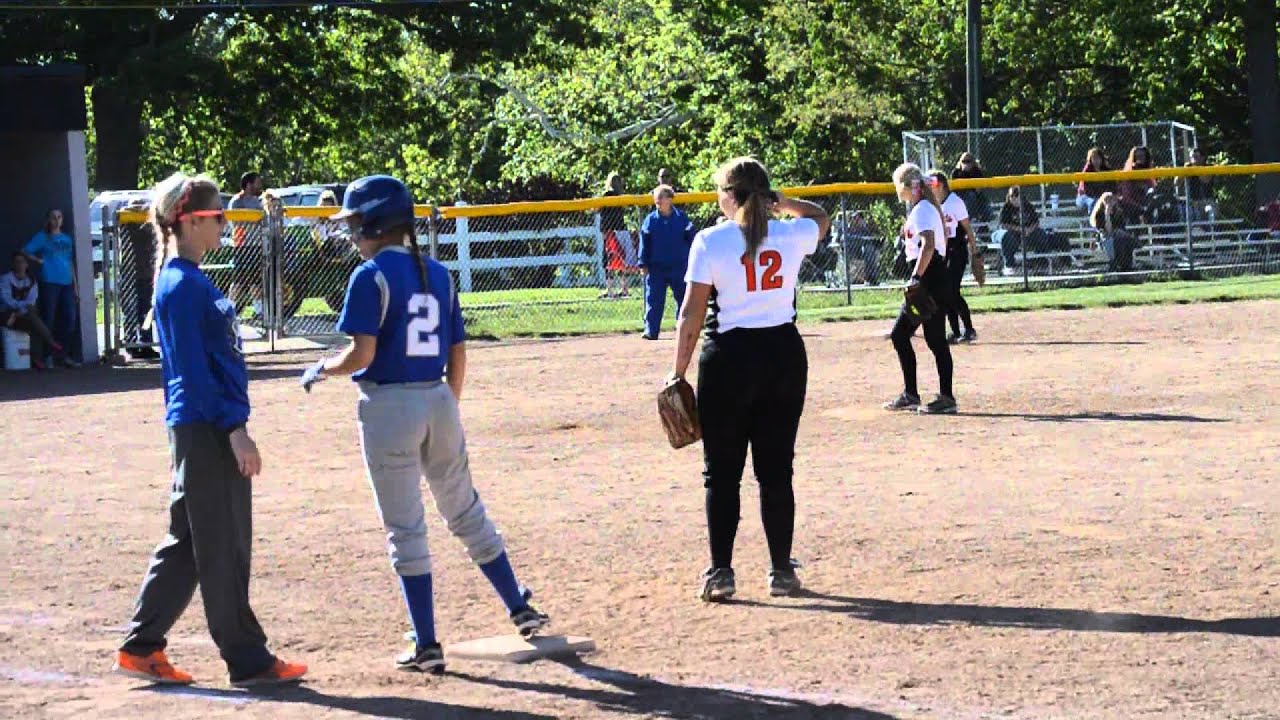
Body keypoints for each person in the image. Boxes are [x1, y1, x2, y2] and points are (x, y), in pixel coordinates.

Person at [299, 175, 549, 674]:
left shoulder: (370, 276)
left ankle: (427, 641)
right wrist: (446, 407)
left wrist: (322, 368)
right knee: (465, 510)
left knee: (406, 528)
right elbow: (458, 353)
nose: (352, 235)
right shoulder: (438, 273)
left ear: (373, 223)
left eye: (355, 225)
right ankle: (517, 605)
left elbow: (362, 353)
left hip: (389, 405)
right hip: (438, 398)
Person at [114, 173, 306, 688]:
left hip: (201, 427)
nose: (225, 221)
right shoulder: (180, 285)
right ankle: (248, 660)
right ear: (191, 221)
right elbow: (195, 375)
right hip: (205, 429)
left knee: (190, 542)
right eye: (218, 215)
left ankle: (141, 645)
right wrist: (235, 429)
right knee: (223, 545)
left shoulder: (189, 281)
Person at [669, 157, 830, 602]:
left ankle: (721, 572)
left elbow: (691, 313)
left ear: (732, 196)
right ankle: (781, 570)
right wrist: (782, 202)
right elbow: (820, 217)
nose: (717, 197)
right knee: (777, 470)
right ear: (765, 196)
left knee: (721, 473)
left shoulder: (711, 241)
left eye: (721, 190)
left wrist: (677, 372)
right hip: (782, 356)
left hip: (729, 360)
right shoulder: (790, 233)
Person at [884, 163, 956, 415]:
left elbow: (929, 245)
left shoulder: (923, 209)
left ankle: (918, 395)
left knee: (901, 335)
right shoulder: (925, 207)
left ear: (906, 187)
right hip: (934, 277)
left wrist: (916, 278)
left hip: (929, 277)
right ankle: (934, 396)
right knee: (933, 340)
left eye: (898, 185)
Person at [22, 208, 80, 365]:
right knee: (49, 318)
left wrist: (75, 286)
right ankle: (46, 355)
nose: (56, 220)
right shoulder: (43, 237)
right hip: (49, 282)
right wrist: (38, 260)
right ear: (48, 219)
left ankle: (63, 355)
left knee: (70, 318)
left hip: (67, 283)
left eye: (59, 217)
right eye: (53, 217)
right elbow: (25, 251)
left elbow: (70, 262)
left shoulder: (67, 239)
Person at [638, 184, 696, 339]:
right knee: (654, 299)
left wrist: (695, 259)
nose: (657, 199)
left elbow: (692, 239)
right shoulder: (650, 220)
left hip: (679, 265)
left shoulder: (681, 218)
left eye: (661, 196)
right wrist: (642, 263)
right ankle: (651, 330)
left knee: (683, 297)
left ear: (670, 199)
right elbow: (645, 243)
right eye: (656, 197)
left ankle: (682, 329)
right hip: (657, 267)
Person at [928, 170, 979, 344]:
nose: (929, 188)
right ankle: (956, 332)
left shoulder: (955, 202)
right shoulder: (934, 204)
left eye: (931, 185)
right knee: (945, 292)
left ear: (940, 185)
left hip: (957, 251)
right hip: (943, 253)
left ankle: (969, 329)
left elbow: (967, 228)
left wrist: (975, 251)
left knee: (952, 291)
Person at [0, 252, 75, 369]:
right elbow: (7, 300)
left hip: (23, 316)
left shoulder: (31, 281)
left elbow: (32, 300)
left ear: (27, 265)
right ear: (13, 264)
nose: (19, 265)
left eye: (22, 262)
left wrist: (22, 309)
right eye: (17, 262)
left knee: (33, 318)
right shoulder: (5, 279)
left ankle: (37, 358)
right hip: (8, 316)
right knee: (33, 317)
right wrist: (20, 308)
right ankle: (50, 343)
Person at [228, 171, 266, 317]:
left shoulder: (257, 201)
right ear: (249, 184)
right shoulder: (237, 201)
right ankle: (230, 309)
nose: (260, 185)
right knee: (238, 280)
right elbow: (236, 222)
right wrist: (255, 219)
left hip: (256, 245)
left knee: (255, 280)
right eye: (257, 182)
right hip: (242, 246)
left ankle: (258, 310)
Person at [599, 173, 635, 298]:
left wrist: (603, 230)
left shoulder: (609, 195)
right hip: (619, 230)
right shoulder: (617, 196)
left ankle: (612, 289)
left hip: (612, 231)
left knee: (610, 260)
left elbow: (603, 214)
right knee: (618, 259)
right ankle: (622, 288)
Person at [1090, 191, 1136, 272]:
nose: (1111, 202)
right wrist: (1107, 215)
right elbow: (1107, 231)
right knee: (1115, 239)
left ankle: (1126, 265)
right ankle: (1117, 264)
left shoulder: (1118, 212)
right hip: (1105, 238)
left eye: (1112, 200)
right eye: (1108, 200)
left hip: (1118, 236)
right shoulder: (1099, 214)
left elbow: (1122, 227)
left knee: (1123, 239)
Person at [1118, 146, 1156, 224]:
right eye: (1137, 157)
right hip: (1132, 206)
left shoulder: (1148, 174)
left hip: (1147, 205)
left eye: (1142, 156)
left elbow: (1152, 190)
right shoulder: (1128, 174)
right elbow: (1126, 197)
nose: (1140, 159)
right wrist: (1141, 208)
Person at [951, 152, 991, 223]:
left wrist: (969, 172)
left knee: (980, 197)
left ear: (972, 162)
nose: (966, 163)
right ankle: (969, 217)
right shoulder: (956, 172)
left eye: (968, 161)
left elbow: (978, 189)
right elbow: (954, 189)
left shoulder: (976, 171)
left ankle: (986, 216)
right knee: (970, 196)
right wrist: (964, 172)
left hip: (974, 195)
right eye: (963, 161)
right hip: (960, 195)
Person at [1075, 147, 1114, 213]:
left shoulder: (1107, 170)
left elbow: (1112, 186)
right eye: (1094, 158)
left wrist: (1111, 196)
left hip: (1103, 196)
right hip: (1085, 197)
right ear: (1090, 159)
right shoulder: (1087, 170)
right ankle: (1093, 221)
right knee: (1094, 202)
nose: (1096, 160)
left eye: (1098, 158)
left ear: (1102, 159)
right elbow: (1087, 190)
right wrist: (1100, 198)